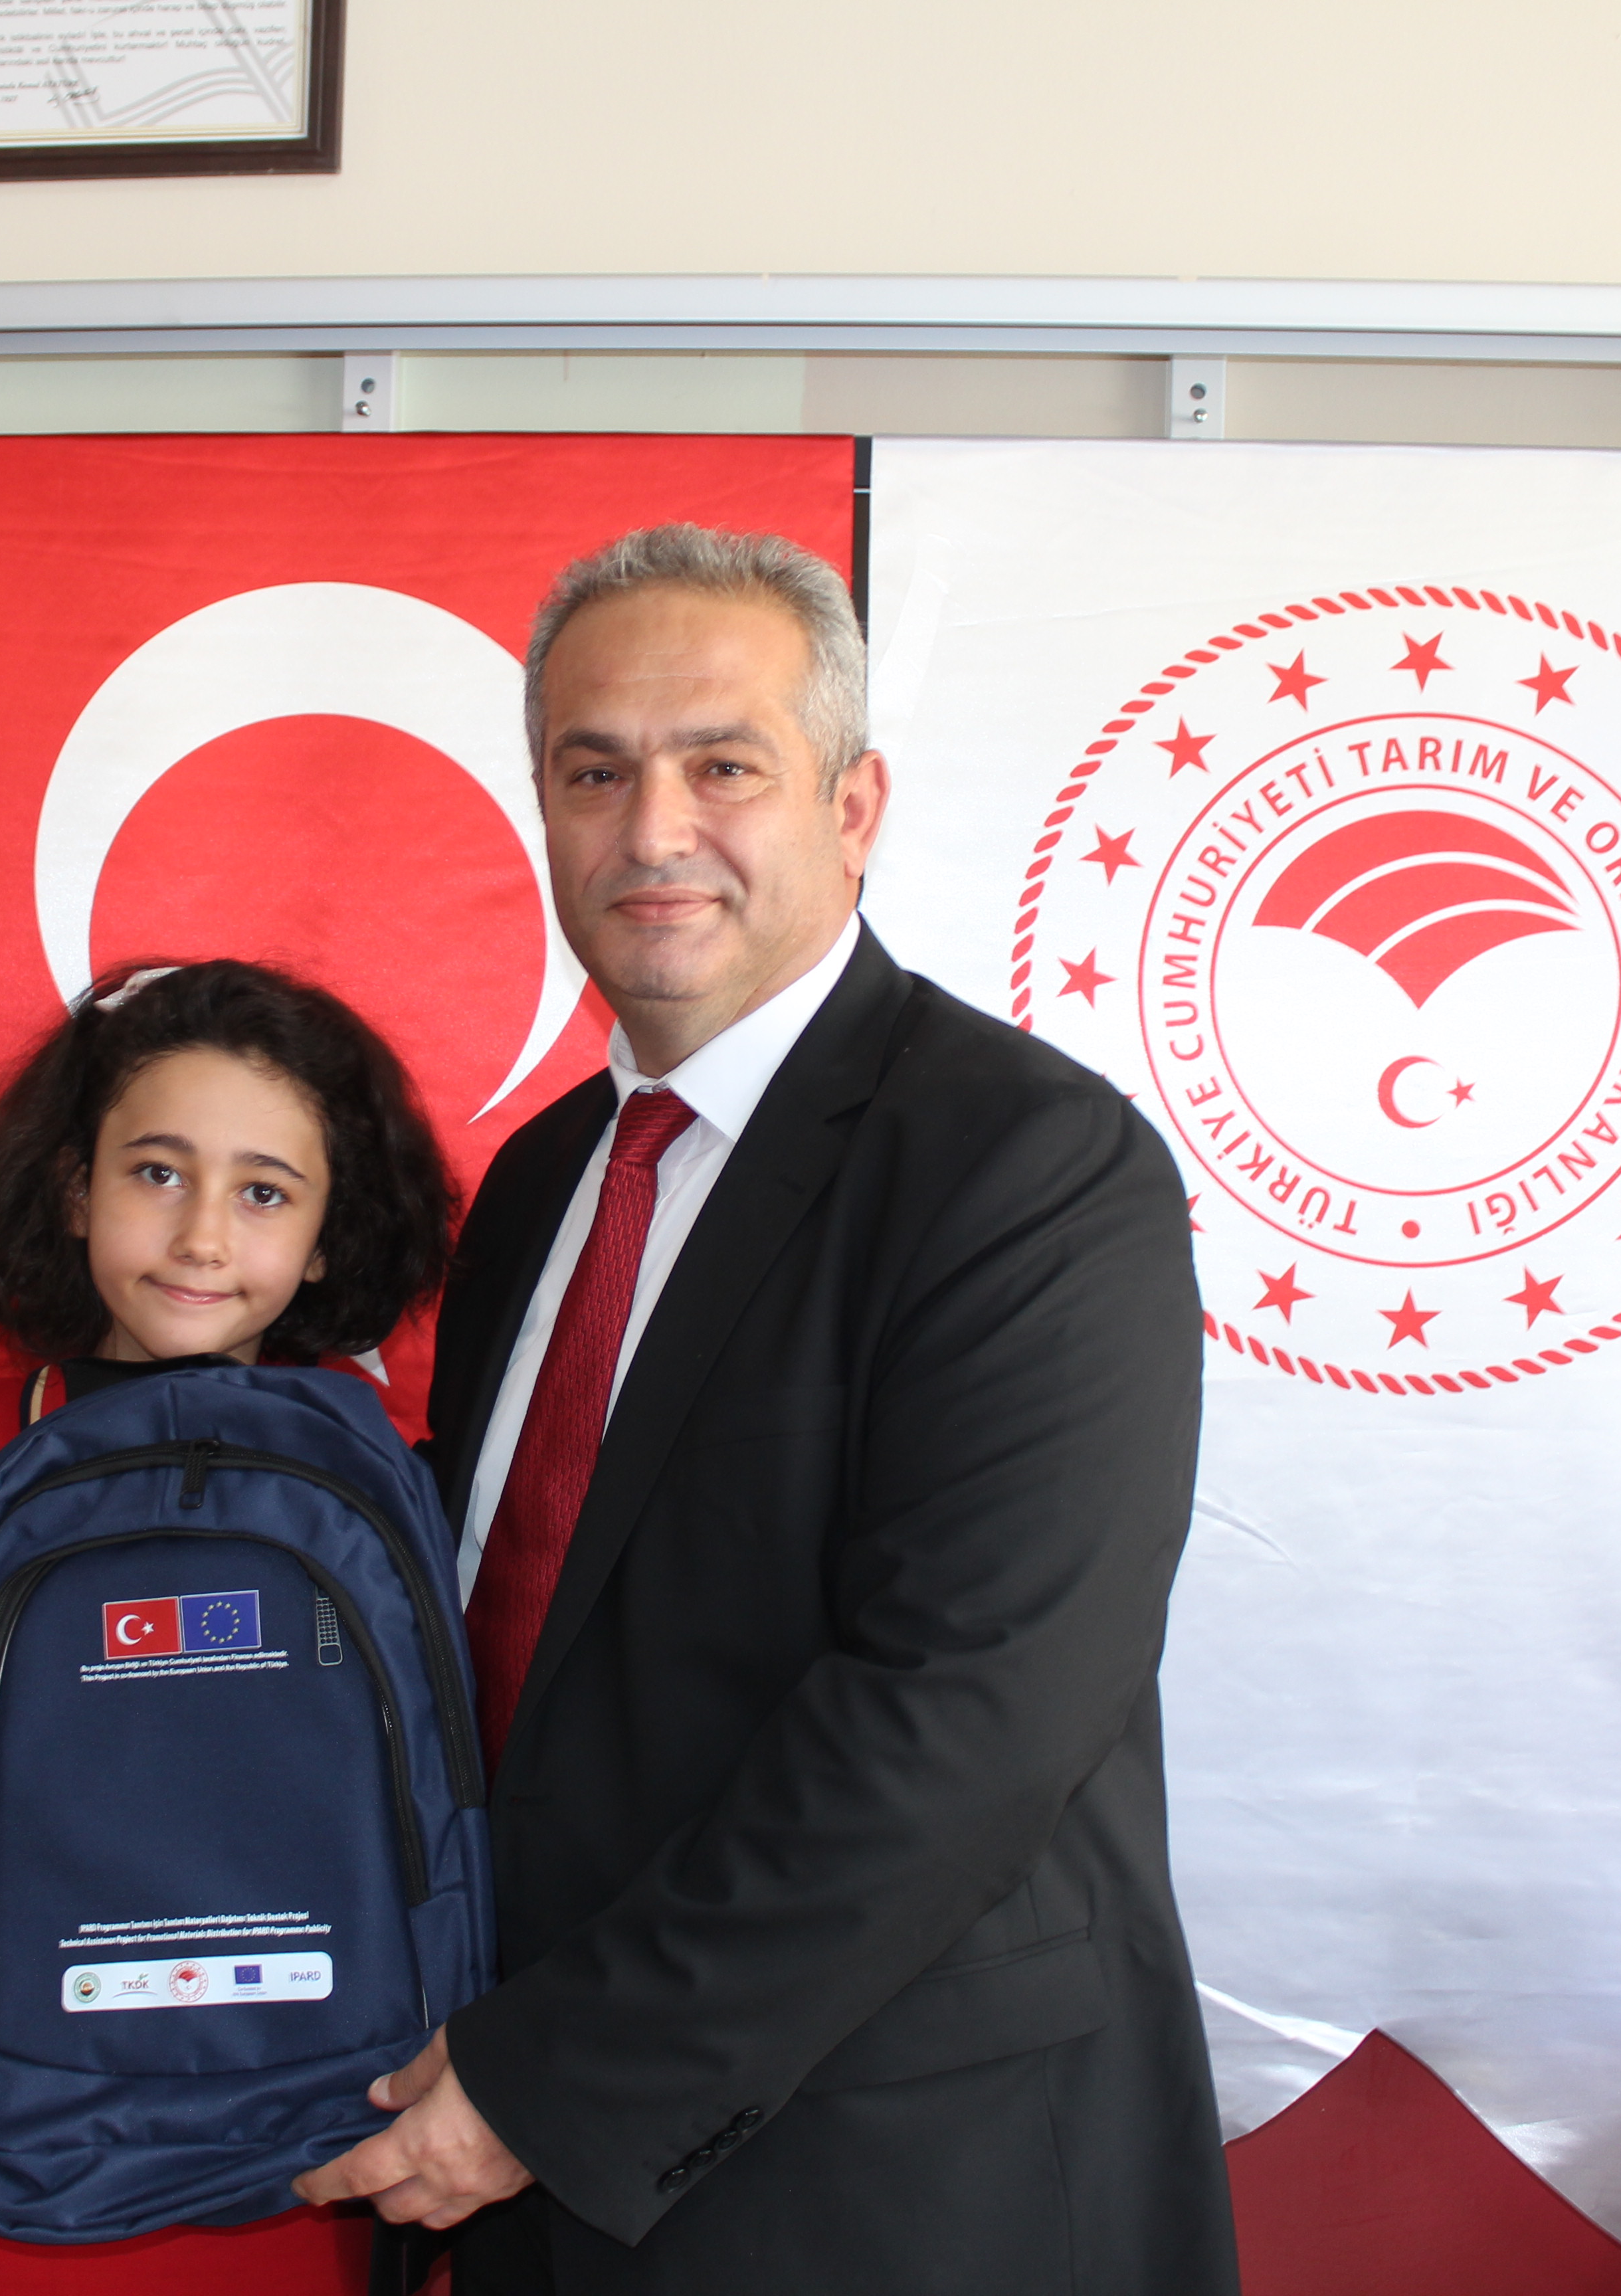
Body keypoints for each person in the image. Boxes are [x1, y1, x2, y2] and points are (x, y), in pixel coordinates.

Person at [294, 526, 1242, 2291]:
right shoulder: (539, 1185)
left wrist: (552, 2082)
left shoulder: (1028, 1168)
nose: (654, 832)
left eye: (724, 766)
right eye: (595, 772)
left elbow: (966, 1720)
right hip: (517, 2144)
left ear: (853, 807)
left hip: (882, 2190)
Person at [0, 957, 456, 2295]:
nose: (202, 1237)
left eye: (265, 1193)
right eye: (156, 1172)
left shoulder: (390, 1474)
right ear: (77, 1189)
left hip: (300, 2165)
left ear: (329, 1237)